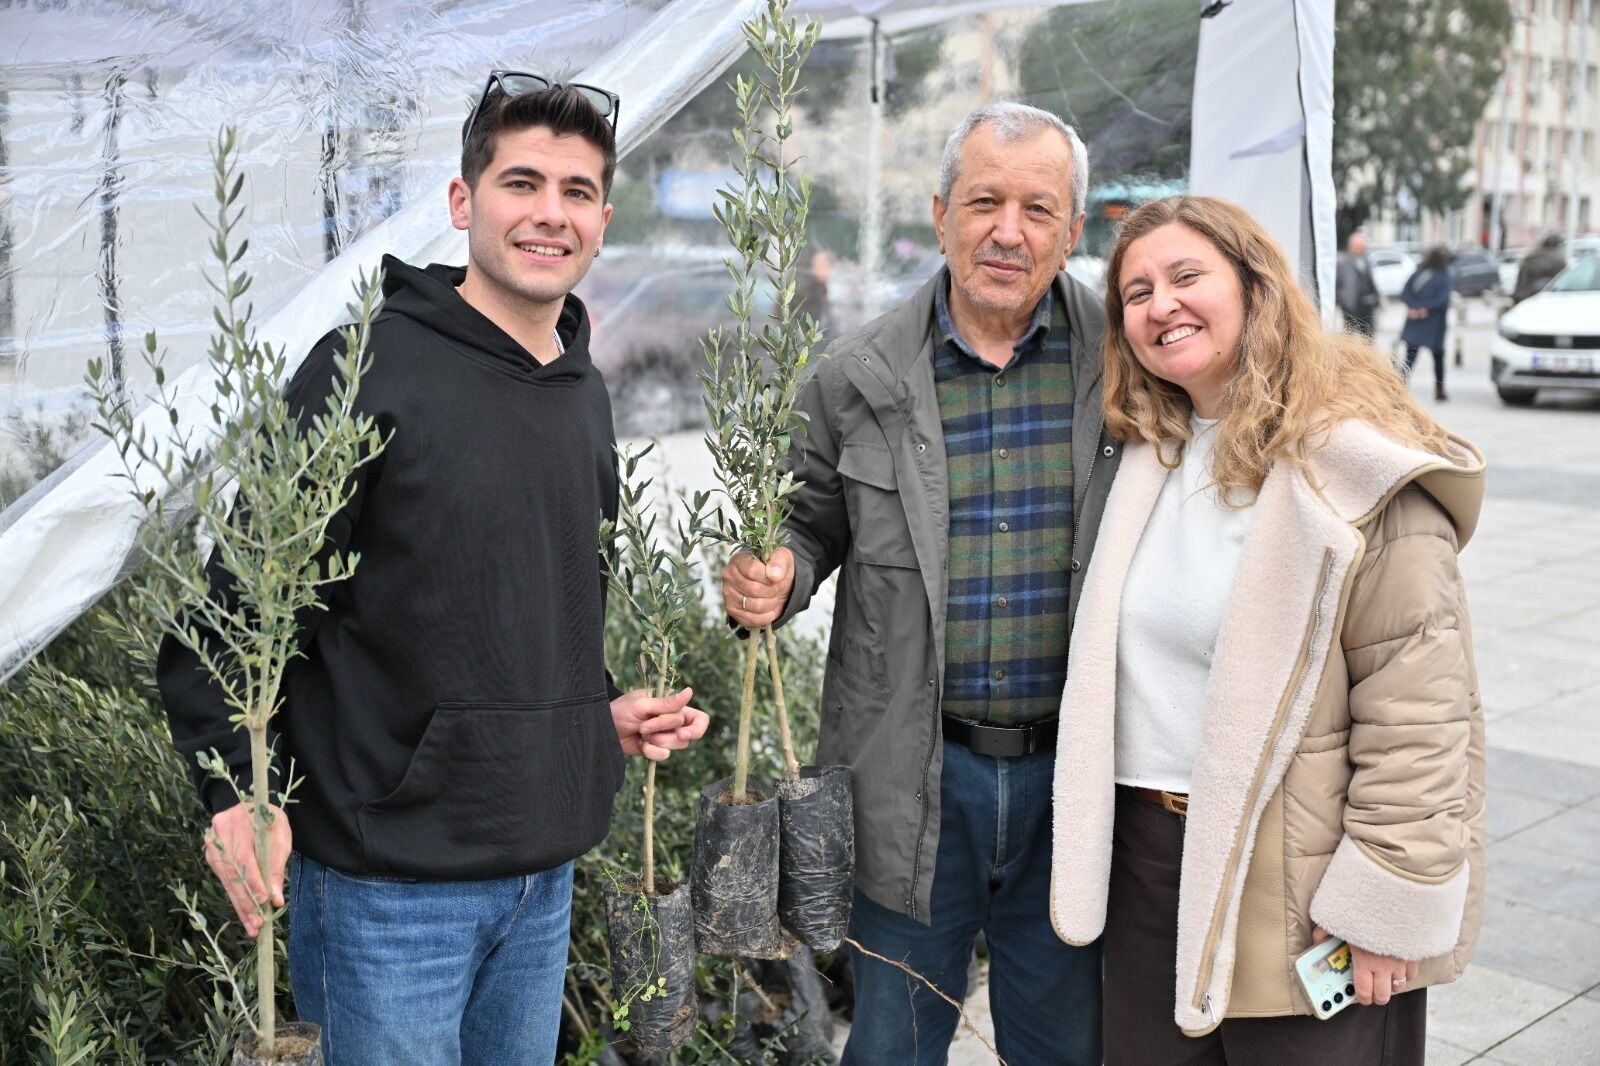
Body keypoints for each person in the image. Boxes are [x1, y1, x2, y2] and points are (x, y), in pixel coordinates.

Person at [158, 74, 709, 1065]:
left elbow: (496, 606)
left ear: (602, 219)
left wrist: (587, 719)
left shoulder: (581, 388)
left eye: (576, 192)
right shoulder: (366, 366)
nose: (550, 212)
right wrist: (235, 792)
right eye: (522, 182)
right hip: (387, 893)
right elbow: (236, 611)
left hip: (543, 882)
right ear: (463, 203)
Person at [723, 101, 1116, 1066]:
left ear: (1072, 231)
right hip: (910, 775)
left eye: (1037, 208)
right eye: (984, 201)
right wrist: (777, 574)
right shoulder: (856, 374)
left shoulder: (1127, 361)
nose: (1006, 231)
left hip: (1079, 777)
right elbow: (808, 522)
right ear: (941, 214)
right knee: (891, 1044)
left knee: (1065, 1047)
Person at [1049, 195, 1484, 1065]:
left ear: (1256, 288)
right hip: (1148, 866)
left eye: (1185, 276)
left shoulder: (1355, 463)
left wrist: (1385, 908)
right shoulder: (1147, 453)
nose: (1159, 305)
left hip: (1298, 871)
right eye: (1134, 293)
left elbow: (1422, 713)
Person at [1400, 245, 1453, 401]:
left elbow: (1405, 293)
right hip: (1434, 323)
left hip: (1415, 320)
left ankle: (1399, 388)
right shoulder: (1444, 277)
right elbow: (1443, 300)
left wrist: (1414, 308)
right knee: (1438, 358)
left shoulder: (1418, 274)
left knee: (1410, 356)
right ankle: (1439, 390)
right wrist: (1425, 309)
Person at [1334, 230, 1380, 337]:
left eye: (1361, 246)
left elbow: (1371, 280)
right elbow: (1338, 283)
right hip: (1350, 304)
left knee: (1368, 335)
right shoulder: (1343, 262)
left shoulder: (1367, 260)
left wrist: (1377, 297)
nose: (1360, 249)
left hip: (1368, 305)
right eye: (1357, 246)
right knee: (1349, 335)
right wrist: (1342, 300)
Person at [1512, 232, 1566, 304]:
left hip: (1525, 296)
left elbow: (1521, 278)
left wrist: (1517, 294)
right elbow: (1561, 280)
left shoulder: (1531, 256)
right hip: (1547, 298)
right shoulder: (1558, 259)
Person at [795, 245, 835, 333]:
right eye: (822, 265)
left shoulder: (821, 288)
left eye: (828, 265)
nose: (827, 269)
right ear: (809, 265)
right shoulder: (801, 291)